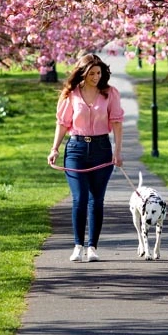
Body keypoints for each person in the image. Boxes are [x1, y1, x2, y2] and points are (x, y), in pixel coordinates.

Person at [47, 54, 124, 263]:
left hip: (101, 148)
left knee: (96, 200)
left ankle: (92, 247)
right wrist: (54, 149)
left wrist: (117, 152)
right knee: (79, 198)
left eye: (99, 73)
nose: (96, 77)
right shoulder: (71, 95)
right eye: (91, 73)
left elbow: (116, 122)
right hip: (76, 149)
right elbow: (62, 123)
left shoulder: (110, 94)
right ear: (83, 73)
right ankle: (78, 245)